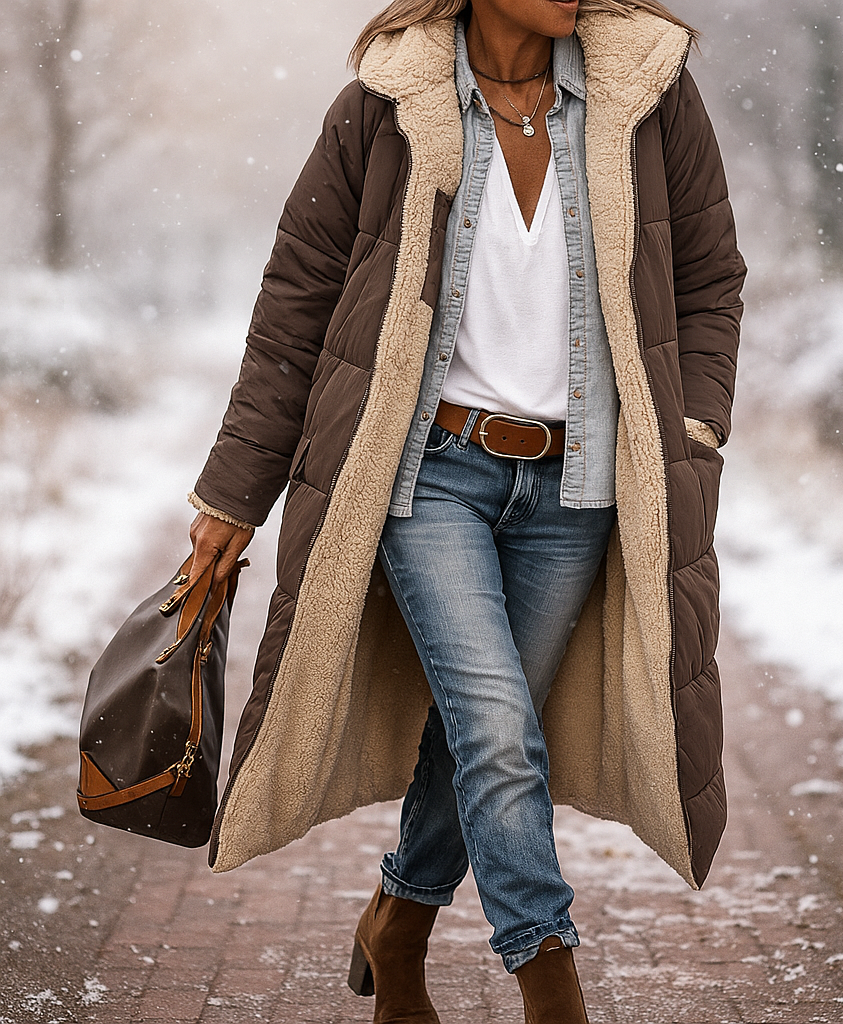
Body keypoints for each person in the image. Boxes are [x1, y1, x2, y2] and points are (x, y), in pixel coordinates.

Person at [185, 0, 745, 1019]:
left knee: (480, 729)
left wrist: (696, 423)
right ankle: (548, 977)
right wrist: (234, 488)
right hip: (429, 473)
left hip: (576, 484)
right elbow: (297, 304)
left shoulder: (645, 98)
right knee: (496, 729)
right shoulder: (386, 106)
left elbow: (710, 278)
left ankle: (397, 921)